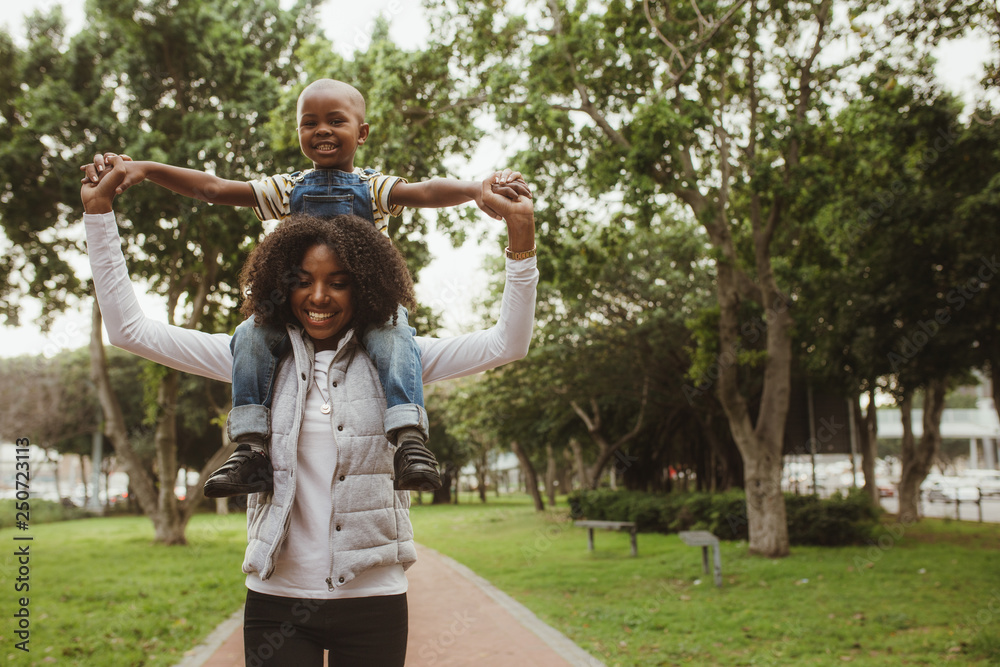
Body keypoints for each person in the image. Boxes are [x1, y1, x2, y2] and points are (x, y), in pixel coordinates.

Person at [81, 154, 538, 666]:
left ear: (366, 283)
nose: (318, 296)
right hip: (276, 602)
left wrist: (521, 237)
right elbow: (129, 331)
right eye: (301, 279)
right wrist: (99, 215)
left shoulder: (400, 362)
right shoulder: (253, 357)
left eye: (338, 281)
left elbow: (508, 344)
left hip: (373, 602)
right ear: (281, 280)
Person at [82, 78, 530, 497]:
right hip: (268, 577)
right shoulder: (287, 188)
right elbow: (214, 188)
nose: (322, 130)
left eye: (336, 120)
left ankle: (409, 439)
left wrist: (476, 188)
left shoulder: (373, 188)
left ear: (364, 132)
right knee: (251, 335)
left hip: (375, 312)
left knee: (396, 338)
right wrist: (145, 170)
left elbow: (427, 191)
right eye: (309, 122)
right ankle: (251, 448)